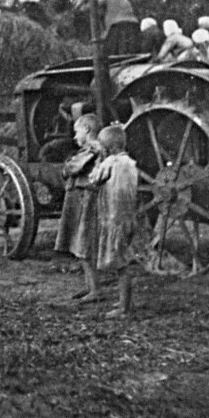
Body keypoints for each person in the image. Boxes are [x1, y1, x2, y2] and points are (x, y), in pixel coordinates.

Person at [90, 124, 139, 318]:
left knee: (121, 266)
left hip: (114, 220)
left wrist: (98, 161)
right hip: (127, 220)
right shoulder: (130, 163)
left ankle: (124, 309)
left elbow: (94, 179)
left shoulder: (109, 163)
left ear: (109, 149)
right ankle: (125, 301)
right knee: (123, 261)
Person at [53, 113, 103, 302]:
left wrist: (66, 167)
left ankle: (96, 289)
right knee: (79, 244)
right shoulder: (91, 149)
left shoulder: (94, 149)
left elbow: (72, 168)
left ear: (87, 130)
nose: (75, 137)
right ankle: (89, 286)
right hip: (79, 198)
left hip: (86, 199)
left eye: (76, 132)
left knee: (84, 245)